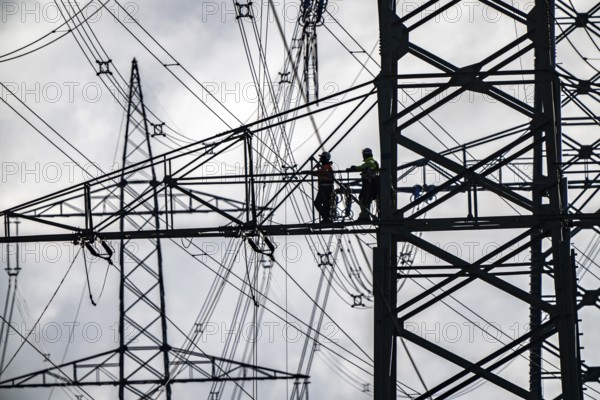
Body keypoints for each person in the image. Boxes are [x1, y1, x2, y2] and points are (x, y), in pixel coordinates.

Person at [348, 148, 379, 221]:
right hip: (369, 184)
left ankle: (365, 216)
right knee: (364, 199)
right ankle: (364, 215)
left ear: (365, 155)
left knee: (364, 199)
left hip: (368, 184)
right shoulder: (373, 162)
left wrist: (354, 168)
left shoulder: (370, 162)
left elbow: (362, 167)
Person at [313, 151, 334, 223]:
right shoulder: (326, 166)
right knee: (324, 203)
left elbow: (320, 172)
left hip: (326, 188)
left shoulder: (327, 167)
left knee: (319, 203)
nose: (320, 159)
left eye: (321, 157)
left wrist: (310, 172)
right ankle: (326, 217)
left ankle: (326, 218)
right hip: (324, 187)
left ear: (325, 158)